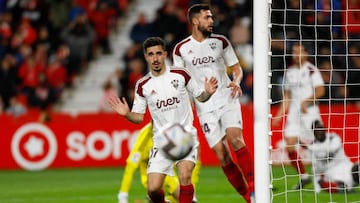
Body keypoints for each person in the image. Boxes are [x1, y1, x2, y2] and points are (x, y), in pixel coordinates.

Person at [108, 37, 218, 203]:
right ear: (146, 57)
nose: (155, 58)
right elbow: (138, 118)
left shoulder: (181, 74)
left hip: (184, 135)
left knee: (185, 175)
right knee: (153, 189)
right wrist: (127, 114)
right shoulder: (142, 85)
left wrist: (208, 93)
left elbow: (200, 97)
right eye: (151, 54)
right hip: (161, 140)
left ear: (165, 54)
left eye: (159, 53)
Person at [172, 4, 254, 202]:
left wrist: (236, 80)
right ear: (194, 21)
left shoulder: (221, 42)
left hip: (227, 97)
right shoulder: (181, 49)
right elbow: (180, 81)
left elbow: (236, 68)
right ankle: (248, 197)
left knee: (235, 138)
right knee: (221, 154)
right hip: (204, 106)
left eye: (211, 17)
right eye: (207, 18)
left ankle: (254, 189)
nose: (211, 21)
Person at [272, 42, 325, 189]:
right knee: (289, 145)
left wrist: (306, 102)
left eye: (299, 52)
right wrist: (279, 115)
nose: (296, 55)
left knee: (318, 148)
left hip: (310, 114)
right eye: (294, 52)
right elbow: (287, 96)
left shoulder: (312, 70)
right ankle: (304, 176)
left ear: (306, 53)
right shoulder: (290, 72)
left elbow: (320, 91)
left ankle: (323, 178)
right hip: (294, 115)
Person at [117, 122, 201, 203]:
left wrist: (192, 183)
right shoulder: (145, 134)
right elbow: (131, 165)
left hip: (169, 177)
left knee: (188, 199)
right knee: (155, 191)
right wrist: (123, 194)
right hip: (151, 177)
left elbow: (190, 163)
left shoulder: (170, 130)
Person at [308, 120, 360, 193]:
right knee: (331, 184)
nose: (318, 131)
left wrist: (314, 148)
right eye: (316, 130)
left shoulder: (333, 137)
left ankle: (346, 187)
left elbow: (332, 149)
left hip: (347, 167)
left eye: (320, 128)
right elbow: (315, 167)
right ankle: (345, 188)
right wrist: (317, 190)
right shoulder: (312, 147)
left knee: (358, 168)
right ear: (313, 132)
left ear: (324, 129)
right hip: (332, 174)